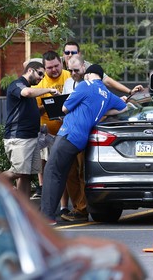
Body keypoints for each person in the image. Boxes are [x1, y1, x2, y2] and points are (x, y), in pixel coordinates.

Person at [41, 64, 128, 225]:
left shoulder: (84, 85)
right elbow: (124, 107)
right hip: (81, 139)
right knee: (61, 174)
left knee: (52, 172)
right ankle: (50, 215)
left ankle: (46, 217)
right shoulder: (107, 94)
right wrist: (103, 111)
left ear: (88, 75)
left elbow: (64, 108)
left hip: (68, 134)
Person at [1, 61, 60, 198]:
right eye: (40, 74)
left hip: (31, 137)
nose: (41, 78)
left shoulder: (30, 91)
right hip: (19, 137)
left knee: (26, 175)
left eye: (43, 76)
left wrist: (51, 106)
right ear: (30, 70)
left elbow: (33, 112)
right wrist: (49, 90)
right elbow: (26, 92)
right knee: (19, 172)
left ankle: (24, 210)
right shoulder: (17, 84)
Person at [31, 51, 71, 200]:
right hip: (48, 131)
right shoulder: (40, 84)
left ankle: (64, 206)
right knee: (46, 165)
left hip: (68, 130)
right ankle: (41, 187)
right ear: (44, 68)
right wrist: (49, 105)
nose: (54, 70)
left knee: (64, 170)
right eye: (50, 68)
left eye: (56, 66)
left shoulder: (69, 76)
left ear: (61, 63)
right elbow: (35, 112)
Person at [57, 55, 89, 222]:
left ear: (84, 67)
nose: (73, 73)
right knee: (69, 172)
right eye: (70, 70)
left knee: (82, 171)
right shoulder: (69, 82)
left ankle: (83, 208)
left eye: (76, 70)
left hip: (84, 131)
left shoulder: (90, 81)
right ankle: (78, 207)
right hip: (69, 130)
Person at [62, 41, 143, 96]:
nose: (70, 55)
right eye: (67, 52)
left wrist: (129, 92)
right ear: (63, 54)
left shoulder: (88, 67)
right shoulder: (56, 64)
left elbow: (107, 81)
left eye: (73, 52)